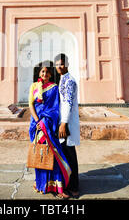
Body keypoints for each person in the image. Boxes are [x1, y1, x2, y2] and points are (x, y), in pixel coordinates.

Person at [28, 61, 71, 199]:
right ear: (39, 73)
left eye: (47, 71)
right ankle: (41, 184)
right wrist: (37, 121)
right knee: (41, 154)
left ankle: (57, 187)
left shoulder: (54, 87)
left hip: (48, 125)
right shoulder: (34, 86)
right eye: (42, 71)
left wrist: (45, 121)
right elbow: (31, 105)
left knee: (53, 153)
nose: (44, 74)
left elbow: (54, 108)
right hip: (37, 126)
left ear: (50, 74)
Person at [55, 53, 80, 198]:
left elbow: (68, 103)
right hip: (64, 122)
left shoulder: (69, 81)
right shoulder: (63, 79)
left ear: (67, 64)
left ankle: (74, 188)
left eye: (62, 64)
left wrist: (64, 123)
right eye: (57, 64)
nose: (59, 66)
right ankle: (69, 184)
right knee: (66, 154)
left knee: (69, 156)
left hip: (67, 124)